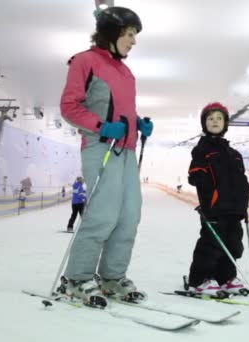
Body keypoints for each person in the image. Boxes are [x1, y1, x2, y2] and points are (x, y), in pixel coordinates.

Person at [58, 6, 153, 303]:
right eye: (129, 34)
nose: (133, 41)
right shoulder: (85, 62)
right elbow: (69, 107)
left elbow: (124, 111)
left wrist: (139, 123)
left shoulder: (126, 73)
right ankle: (78, 277)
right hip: (101, 147)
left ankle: (112, 276)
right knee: (103, 214)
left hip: (126, 150)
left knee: (129, 216)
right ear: (111, 33)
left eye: (134, 35)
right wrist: (101, 126)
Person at [186, 102, 249, 295]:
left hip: (234, 208)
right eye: (210, 118)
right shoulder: (202, 150)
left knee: (233, 244)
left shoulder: (234, 154)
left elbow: (241, 179)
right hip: (214, 207)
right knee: (211, 245)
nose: (215, 121)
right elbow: (195, 176)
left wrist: (245, 196)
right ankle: (200, 279)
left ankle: (226, 277)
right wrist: (208, 194)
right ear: (204, 123)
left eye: (219, 118)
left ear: (225, 123)